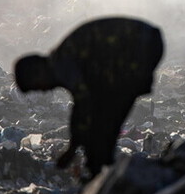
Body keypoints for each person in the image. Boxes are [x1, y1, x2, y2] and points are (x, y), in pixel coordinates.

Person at [14, 17, 164, 179]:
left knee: (109, 112)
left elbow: (83, 104)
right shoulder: (65, 61)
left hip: (142, 44)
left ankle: (102, 171)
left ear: (39, 71)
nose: (42, 91)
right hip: (145, 42)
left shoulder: (63, 64)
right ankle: (102, 168)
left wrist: (72, 148)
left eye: (36, 86)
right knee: (106, 113)